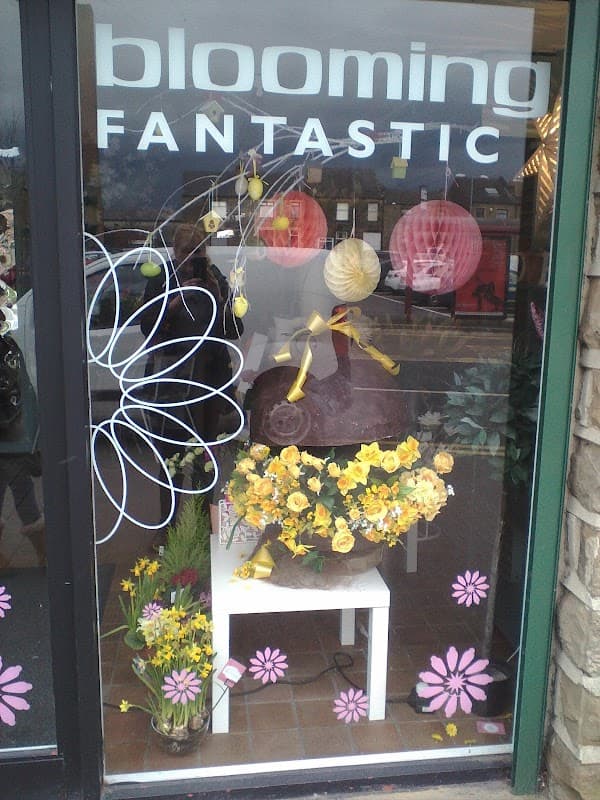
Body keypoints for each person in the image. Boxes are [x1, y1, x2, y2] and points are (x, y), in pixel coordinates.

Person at [140, 223, 242, 536]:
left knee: (204, 459)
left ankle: (198, 529)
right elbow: (147, 328)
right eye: (186, 252)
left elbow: (236, 330)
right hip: (169, 382)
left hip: (209, 382)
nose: (192, 259)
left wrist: (221, 299)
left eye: (198, 252)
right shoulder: (162, 277)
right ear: (175, 250)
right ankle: (168, 530)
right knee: (170, 459)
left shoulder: (215, 279)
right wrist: (169, 306)